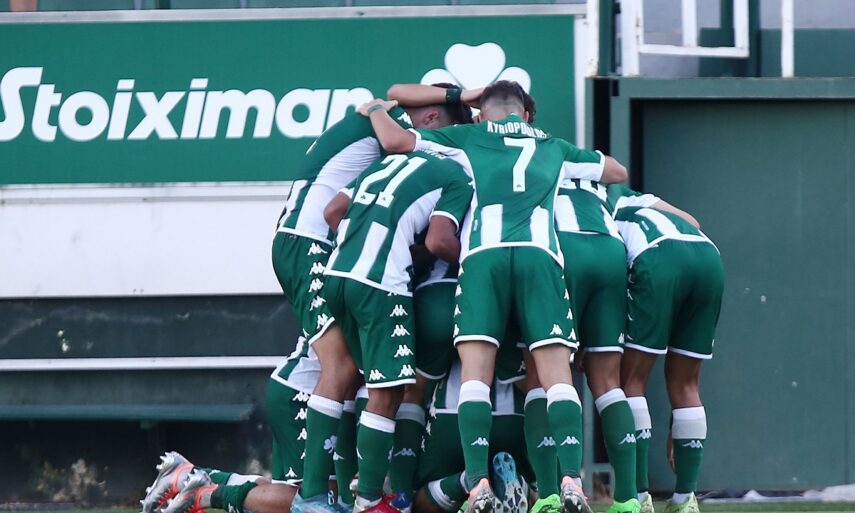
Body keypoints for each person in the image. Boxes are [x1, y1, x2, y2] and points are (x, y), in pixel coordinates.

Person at [361, 80, 628, 513]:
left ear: (483, 114)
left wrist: (375, 109)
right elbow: (616, 171)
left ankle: (478, 483)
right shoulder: (552, 145)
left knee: (476, 374)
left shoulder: (469, 136)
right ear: (525, 113)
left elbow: (395, 141)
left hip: (484, 258)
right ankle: (571, 481)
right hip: (540, 257)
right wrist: (560, 167)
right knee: (557, 375)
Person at [315, 146, 474, 513]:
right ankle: (370, 500)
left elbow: (333, 211)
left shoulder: (386, 164)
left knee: (362, 379)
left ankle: (351, 486)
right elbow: (439, 240)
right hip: (381, 283)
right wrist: (476, 260)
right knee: (389, 391)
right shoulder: (457, 176)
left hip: (336, 275)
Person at [608, 186, 724, 513]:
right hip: (707, 256)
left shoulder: (586, 202)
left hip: (657, 257)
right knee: (686, 384)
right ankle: (685, 499)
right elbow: (693, 221)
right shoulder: (626, 194)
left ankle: (638, 495)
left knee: (630, 380)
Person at [553, 178, 640, 513]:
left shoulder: (537, 166)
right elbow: (690, 221)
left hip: (562, 247)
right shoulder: (600, 184)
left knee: (546, 372)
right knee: (608, 382)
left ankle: (551, 492)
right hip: (610, 250)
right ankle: (628, 499)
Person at [414, 359, 531, 513]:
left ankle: (466, 481)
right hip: (511, 416)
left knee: (419, 502)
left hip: (452, 414)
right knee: (540, 486)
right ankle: (519, 484)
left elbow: (415, 388)